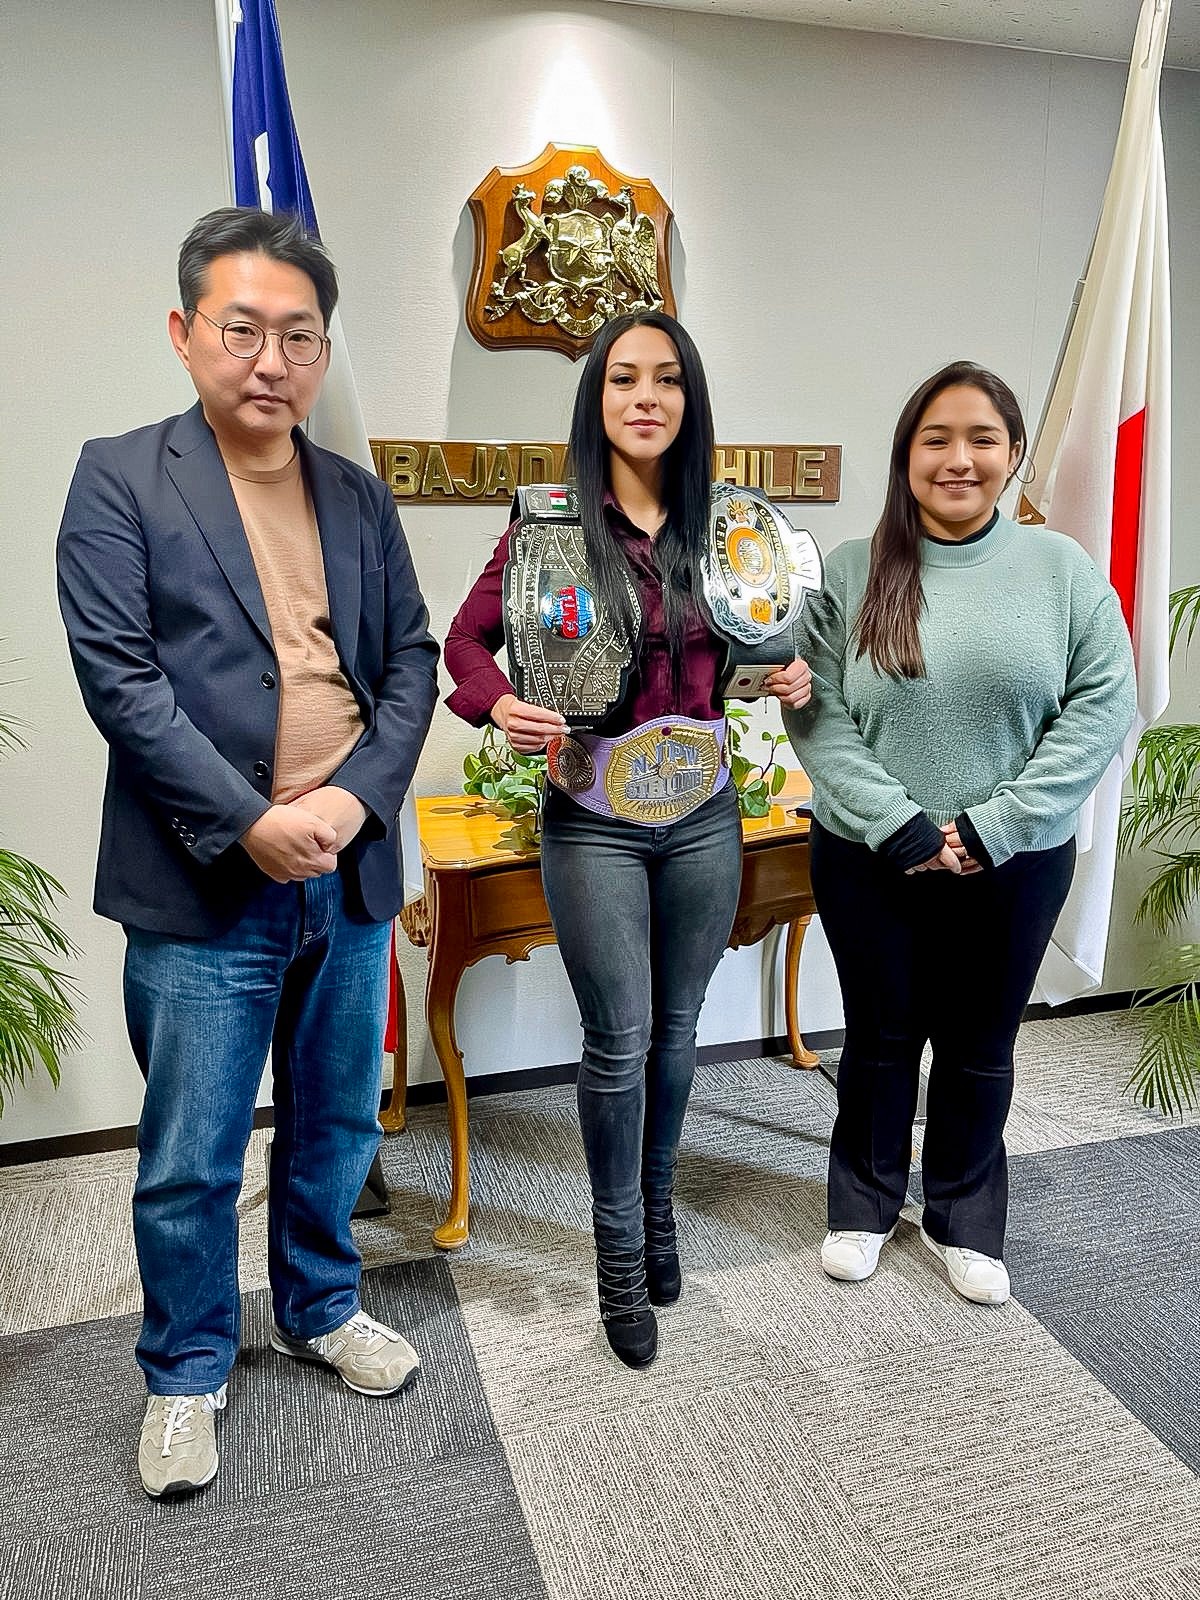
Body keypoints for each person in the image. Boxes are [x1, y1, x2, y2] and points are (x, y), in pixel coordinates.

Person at [56, 207, 439, 1497]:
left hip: (350, 871)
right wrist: (251, 820)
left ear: (322, 353)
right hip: (204, 879)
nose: (270, 359)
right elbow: (121, 681)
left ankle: (322, 1307)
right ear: (185, 334)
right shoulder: (120, 475)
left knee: (332, 1123)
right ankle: (183, 1370)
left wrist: (354, 804)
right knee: (193, 1150)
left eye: (298, 336)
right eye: (243, 330)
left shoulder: (358, 493)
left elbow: (412, 663)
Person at [445, 310, 811, 1367]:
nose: (644, 397)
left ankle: (657, 1215)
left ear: (689, 401)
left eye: (665, 380)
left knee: (682, 1027)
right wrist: (498, 705)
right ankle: (616, 1257)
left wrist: (787, 671)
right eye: (622, 380)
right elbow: (467, 642)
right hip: (594, 815)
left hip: (702, 813)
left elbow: (777, 644)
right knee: (620, 1040)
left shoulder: (729, 526)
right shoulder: (553, 525)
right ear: (595, 400)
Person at [784, 361, 1136, 1305]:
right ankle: (861, 1203)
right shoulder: (853, 570)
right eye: (935, 439)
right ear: (906, 457)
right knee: (881, 1037)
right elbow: (816, 715)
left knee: (981, 1045)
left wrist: (996, 825)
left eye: (982, 439)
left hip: (1017, 860)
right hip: (868, 855)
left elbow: (1105, 704)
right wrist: (897, 824)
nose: (958, 459)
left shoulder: (1061, 569)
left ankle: (965, 1216)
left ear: (1015, 455)